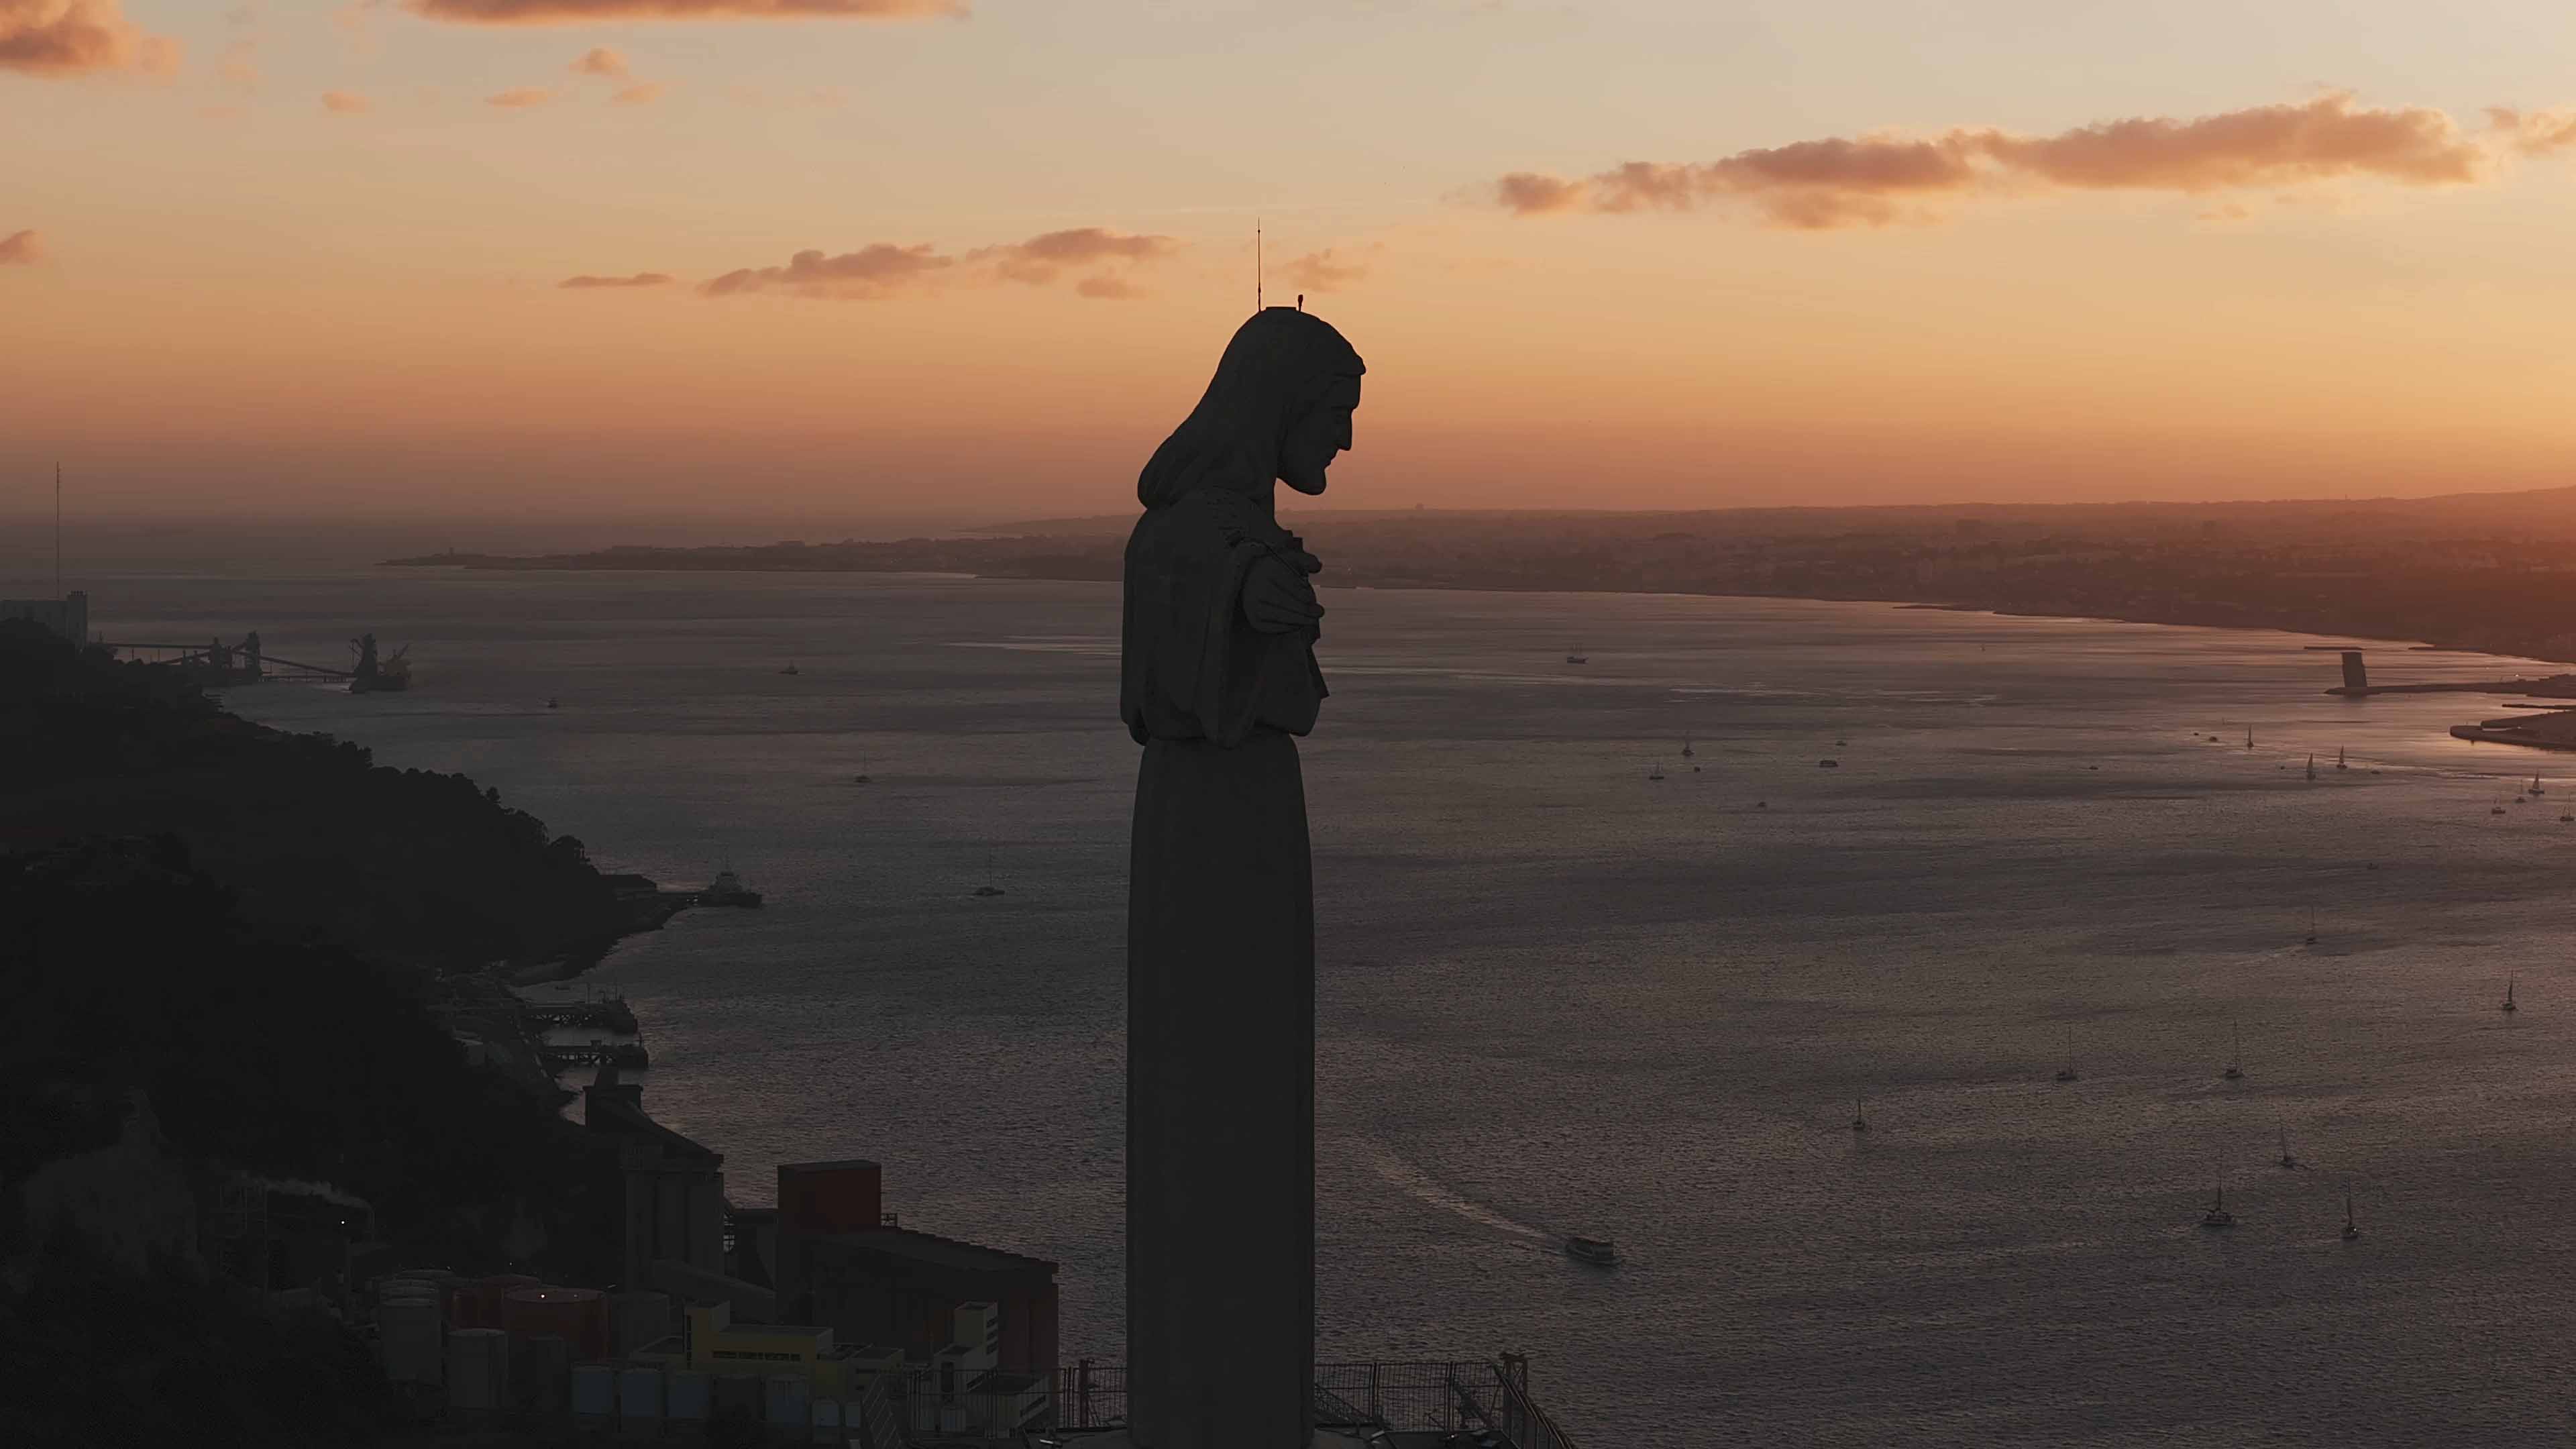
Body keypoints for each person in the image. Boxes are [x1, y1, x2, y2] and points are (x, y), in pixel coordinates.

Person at [1118, 306, 1362, 1449]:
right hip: (1219, 825)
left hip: (1245, 815)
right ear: (1280, 406)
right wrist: (1249, 606)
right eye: (1337, 414)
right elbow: (1208, 688)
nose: (1347, 442)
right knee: (1214, 1131)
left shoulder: (1220, 545)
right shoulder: (1197, 548)